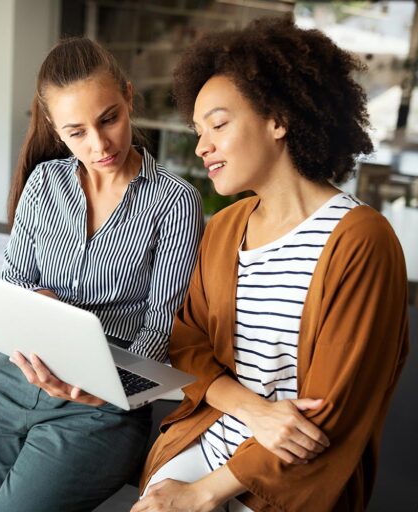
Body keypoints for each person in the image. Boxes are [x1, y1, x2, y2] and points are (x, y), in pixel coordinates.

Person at [134, 16, 409, 512]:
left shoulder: (361, 241)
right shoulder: (222, 228)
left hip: (288, 476)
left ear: (278, 119)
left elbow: (330, 417)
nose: (202, 146)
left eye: (218, 124)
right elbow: (187, 346)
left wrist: (199, 496)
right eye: (198, 131)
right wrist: (253, 410)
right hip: (203, 444)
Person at [0, 37, 203, 512]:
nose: (99, 144)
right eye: (76, 131)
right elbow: (12, 286)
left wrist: (108, 388)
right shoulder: (44, 183)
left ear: (129, 97)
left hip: (99, 407)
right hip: (9, 380)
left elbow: (159, 331)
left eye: (109, 118)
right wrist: (31, 302)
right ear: (54, 127)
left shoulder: (174, 202)